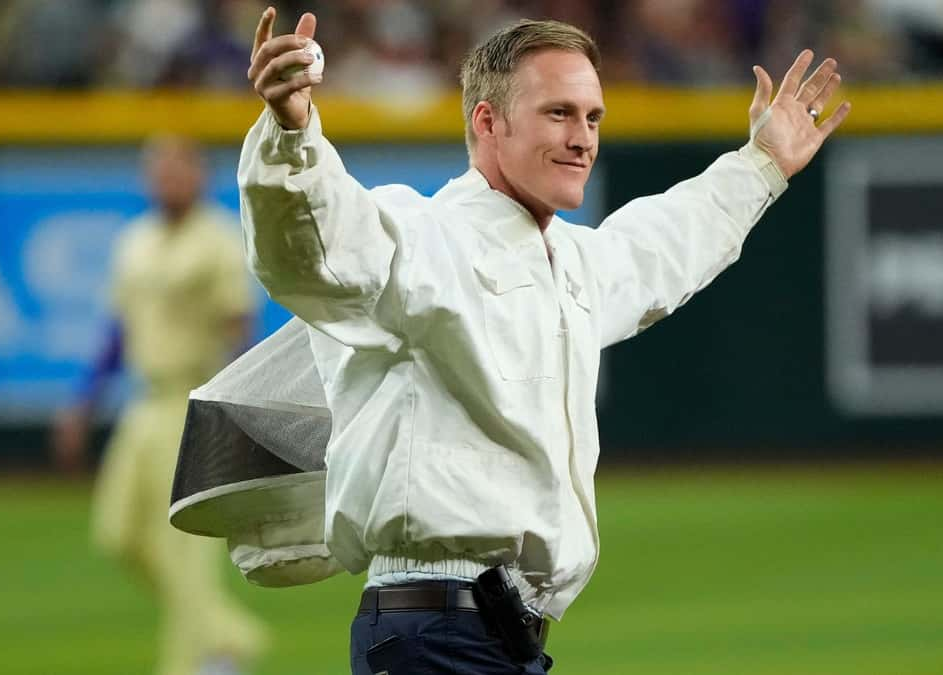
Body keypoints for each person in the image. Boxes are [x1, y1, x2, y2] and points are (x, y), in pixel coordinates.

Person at [239, 7, 849, 674]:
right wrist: (291, 133)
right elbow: (314, 246)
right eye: (559, 112)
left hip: (491, 636)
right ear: (487, 122)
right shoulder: (423, 236)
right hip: (434, 631)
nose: (582, 137)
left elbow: (663, 245)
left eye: (592, 117)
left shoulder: (568, 261)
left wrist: (762, 165)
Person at [52, 135, 267, 675]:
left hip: (193, 403)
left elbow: (238, 329)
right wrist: (83, 404)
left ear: (200, 175)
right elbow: (118, 332)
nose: (166, 179)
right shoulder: (136, 240)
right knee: (118, 535)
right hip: (143, 404)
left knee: (184, 553)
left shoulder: (216, 241)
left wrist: (235, 413)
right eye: (158, 170)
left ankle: (194, 663)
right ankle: (228, 634)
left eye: (178, 168)